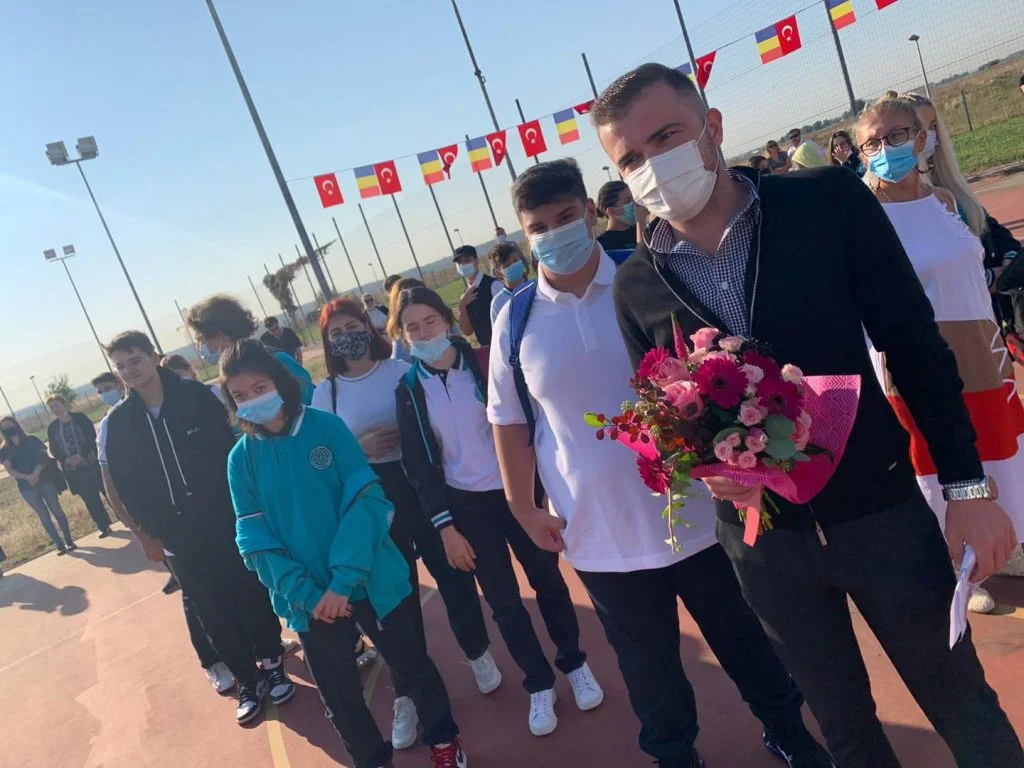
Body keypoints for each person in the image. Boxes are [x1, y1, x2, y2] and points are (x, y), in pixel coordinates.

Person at [596, 62, 1022, 767]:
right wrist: (703, 471)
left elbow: (914, 345)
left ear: (712, 127)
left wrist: (967, 488)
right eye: (630, 159)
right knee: (845, 733)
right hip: (766, 547)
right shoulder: (638, 283)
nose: (651, 167)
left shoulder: (824, 200)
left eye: (665, 137)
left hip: (881, 512)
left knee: (962, 704)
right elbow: (666, 415)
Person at [490, 159, 824, 768]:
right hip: (600, 534)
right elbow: (509, 421)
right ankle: (674, 757)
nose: (554, 234)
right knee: (649, 672)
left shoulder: (647, 278)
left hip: (701, 514)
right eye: (538, 227)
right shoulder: (514, 320)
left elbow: (713, 367)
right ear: (523, 234)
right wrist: (521, 506)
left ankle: (788, 732)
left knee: (747, 640)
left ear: (591, 214)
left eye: (566, 217)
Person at [223, 339, 468, 768]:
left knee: (412, 668)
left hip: (370, 580)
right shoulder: (240, 460)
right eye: (240, 395)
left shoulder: (326, 428)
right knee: (339, 696)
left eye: (259, 388)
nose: (252, 400)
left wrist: (342, 582)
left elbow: (367, 502)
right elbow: (254, 539)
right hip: (311, 604)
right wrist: (310, 595)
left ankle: (445, 742)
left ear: (279, 381)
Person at [394, 286, 603, 737]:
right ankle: (539, 683)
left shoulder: (484, 363)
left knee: (547, 580)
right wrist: (445, 527)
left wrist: (539, 492)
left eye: (430, 322)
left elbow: (528, 424)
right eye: (413, 328)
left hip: (514, 492)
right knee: (504, 602)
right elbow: (418, 466)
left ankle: (573, 663)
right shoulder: (409, 389)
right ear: (402, 335)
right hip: (466, 506)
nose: (424, 333)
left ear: (446, 320)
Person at [857, 93, 1024, 605]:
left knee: (995, 446)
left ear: (922, 139)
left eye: (896, 136)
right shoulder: (865, 214)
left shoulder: (947, 202)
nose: (885, 149)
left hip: (981, 351)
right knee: (934, 458)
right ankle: (958, 566)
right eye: (872, 143)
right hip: (917, 359)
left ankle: (1003, 540)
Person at [311, 297, 497, 750]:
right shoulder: (325, 393)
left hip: (422, 487)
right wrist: (359, 446)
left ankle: (477, 651)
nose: (347, 337)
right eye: (336, 333)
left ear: (369, 326)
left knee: (454, 575)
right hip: (372, 501)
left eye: (353, 326)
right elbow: (321, 459)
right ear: (327, 342)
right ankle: (409, 691)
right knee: (396, 599)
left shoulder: (401, 371)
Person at [102, 330, 295, 725]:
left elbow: (236, 452)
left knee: (250, 590)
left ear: (154, 357)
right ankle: (247, 678)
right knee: (211, 609)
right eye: (120, 366)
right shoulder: (116, 424)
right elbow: (120, 486)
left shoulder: (200, 397)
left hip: (227, 520)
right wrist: (145, 535)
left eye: (135, 360)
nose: (129, 370)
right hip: (176, 537)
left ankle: (273, 663)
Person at [186, 294, 313, 405]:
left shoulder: (277, 361)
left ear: (220, 334)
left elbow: (307, 402)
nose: (200, 347)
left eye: (201, 339)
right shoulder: (229, 371)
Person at [0, 416, 75, 554]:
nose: (7, 429)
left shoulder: (32, 439)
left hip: (45, 479)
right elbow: (10, 470)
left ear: (15, 424)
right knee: (43, 515)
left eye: (8, 425)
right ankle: (59, 544)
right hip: (26, 486)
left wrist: (35, 473)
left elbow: (44, 457)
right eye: (3, 428)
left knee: (56, 509)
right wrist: (27, 477)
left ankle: (69, 540)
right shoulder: (4, 450)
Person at [45, 395, 111, 537]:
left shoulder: (80, 418)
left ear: (64, 404)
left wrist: (83, 455)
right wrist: (66, 459)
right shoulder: (53, 428)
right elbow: (54, 449)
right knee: (90, 499)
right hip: (73, 469)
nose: (55, 409)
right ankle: (103, 526)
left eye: (57, 405)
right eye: (51, 408)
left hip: (92, 463)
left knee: (108, 491)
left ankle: (125, 518)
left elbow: (92, 437)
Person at [453, 245, 502, 347]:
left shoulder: (494, 285)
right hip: (487, 349)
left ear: (476, 261)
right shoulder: (465, 295)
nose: (463, 265)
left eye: (467, 260)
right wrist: (462, 307)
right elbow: (467, 331)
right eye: (459, 263)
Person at [487, 242, 531, 324]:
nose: (513, 265)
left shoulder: (537, 288)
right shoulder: (498, 303)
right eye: (507, 265)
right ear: (498, 273)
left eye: (515, 261)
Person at [594, 180, 641, 253]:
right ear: (611, 211)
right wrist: (640, 223)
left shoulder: (641, 230)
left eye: (634, 198)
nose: (634, 203)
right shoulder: (602, 245)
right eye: (628, 200)